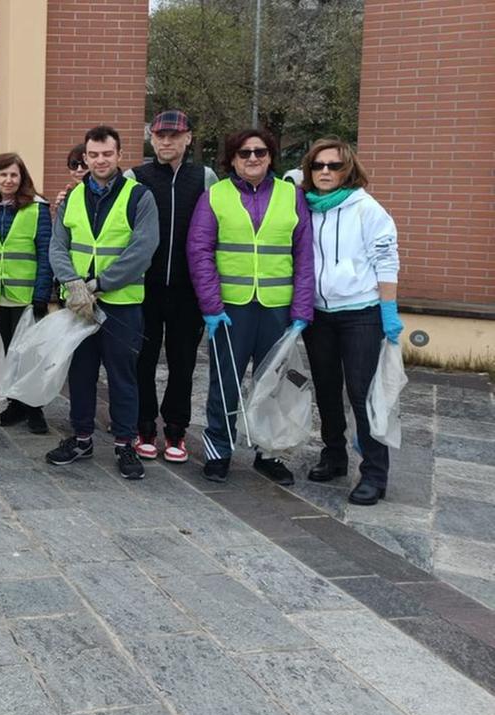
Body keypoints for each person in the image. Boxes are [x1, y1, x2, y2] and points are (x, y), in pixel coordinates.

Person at [187, 128, 315, 485]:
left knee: (273, 384)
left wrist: (302, 311)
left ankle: (268, 452)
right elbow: (199, 252)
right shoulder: (215, 196)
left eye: (260, 152)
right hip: (230, 309)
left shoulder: (292, 196)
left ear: (271, 156)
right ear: (232, 159)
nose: (253, 158)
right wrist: (211, 307)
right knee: (224, 383)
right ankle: (219, 451)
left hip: (277, 308)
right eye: (244, 153)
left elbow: (305, 255)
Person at [46, 126, 159, 480]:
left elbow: (142, 249)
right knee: (80, 373)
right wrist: (72, 283)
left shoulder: (139, 197)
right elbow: (57, 246)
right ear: (85, 158)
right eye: (92, 155)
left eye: (106, 154)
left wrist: (98, 284)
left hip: (120, 305)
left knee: (123, 377)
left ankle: (126, 443)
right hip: (79, 306)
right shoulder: (72, 198)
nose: (99, 160)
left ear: (119, 155)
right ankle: (81, 438)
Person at [299, 138, 401, 506]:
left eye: (334, 165)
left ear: (349, 170)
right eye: (318, 165)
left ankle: (375, 472)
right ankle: (334, 455)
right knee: (326, 388)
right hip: (318, 315)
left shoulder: (367, 208)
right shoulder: (306, 207)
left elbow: (387, 260)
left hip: (360, 314)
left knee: (361, 393)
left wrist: (388, 311)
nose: (325, 171)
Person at [126, 111, 218, 463]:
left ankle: (176, 431)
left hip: (188, 289)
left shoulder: (205, 177)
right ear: (151, 139)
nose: (166, 141)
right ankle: (144, 427)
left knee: (182, 363)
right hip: (145, 287)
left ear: (188, 139)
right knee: (143, 361)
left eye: (174, 135)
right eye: (160, 135)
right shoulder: (136, 176)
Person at [0, 152, 53, 434]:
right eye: (3, 175)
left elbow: (46, 254)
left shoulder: (37, 208)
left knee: (30, 355)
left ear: (22, 178)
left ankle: (34, 408)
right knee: (8, 355)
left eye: (14, 175)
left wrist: (41, 294)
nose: (8, 180)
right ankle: (15, 405)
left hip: (26, 297)